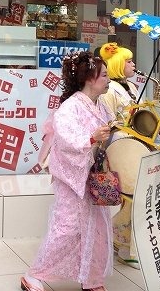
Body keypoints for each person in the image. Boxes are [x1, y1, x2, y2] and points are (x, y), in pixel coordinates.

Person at [22, 51, 114, 291]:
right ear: (89, 78)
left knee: (98, 229)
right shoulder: (70, 107)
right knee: (67, 228)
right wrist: (92, 137)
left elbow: (107, 132)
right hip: (72, 177)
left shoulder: (101, 105)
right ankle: (34, 275)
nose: (108, 79)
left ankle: (92, 279)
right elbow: (66, 141)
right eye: (104, 75)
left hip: (92, 174)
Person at [98, 42, 140, 269]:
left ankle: (122, 242)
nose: (133, 64)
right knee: (129, 194)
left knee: (132, 197)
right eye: (129, 60)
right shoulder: (109, 90)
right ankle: (122, 244)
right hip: (119, 146)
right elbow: (106, 121)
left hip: (133, 145)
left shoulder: (132, 88)